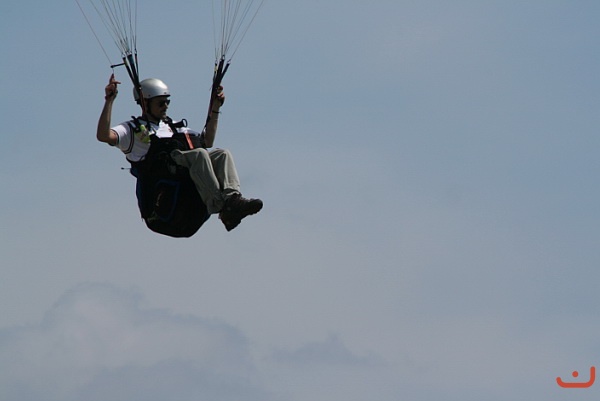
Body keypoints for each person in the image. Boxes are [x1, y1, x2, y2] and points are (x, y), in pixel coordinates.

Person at [96, 74, 263, 232]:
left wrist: (215, 107)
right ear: (145, 103)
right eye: (161, 103)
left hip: (183, 181)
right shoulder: (132, 129)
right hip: (163, 186)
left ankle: (233, 199)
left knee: (222, 154)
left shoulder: (174, 126)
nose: (165, 106)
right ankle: (221, 206)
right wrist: (109, 101)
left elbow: (207, 142)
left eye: (167, 102)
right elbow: (103, 136)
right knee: (199, 154)